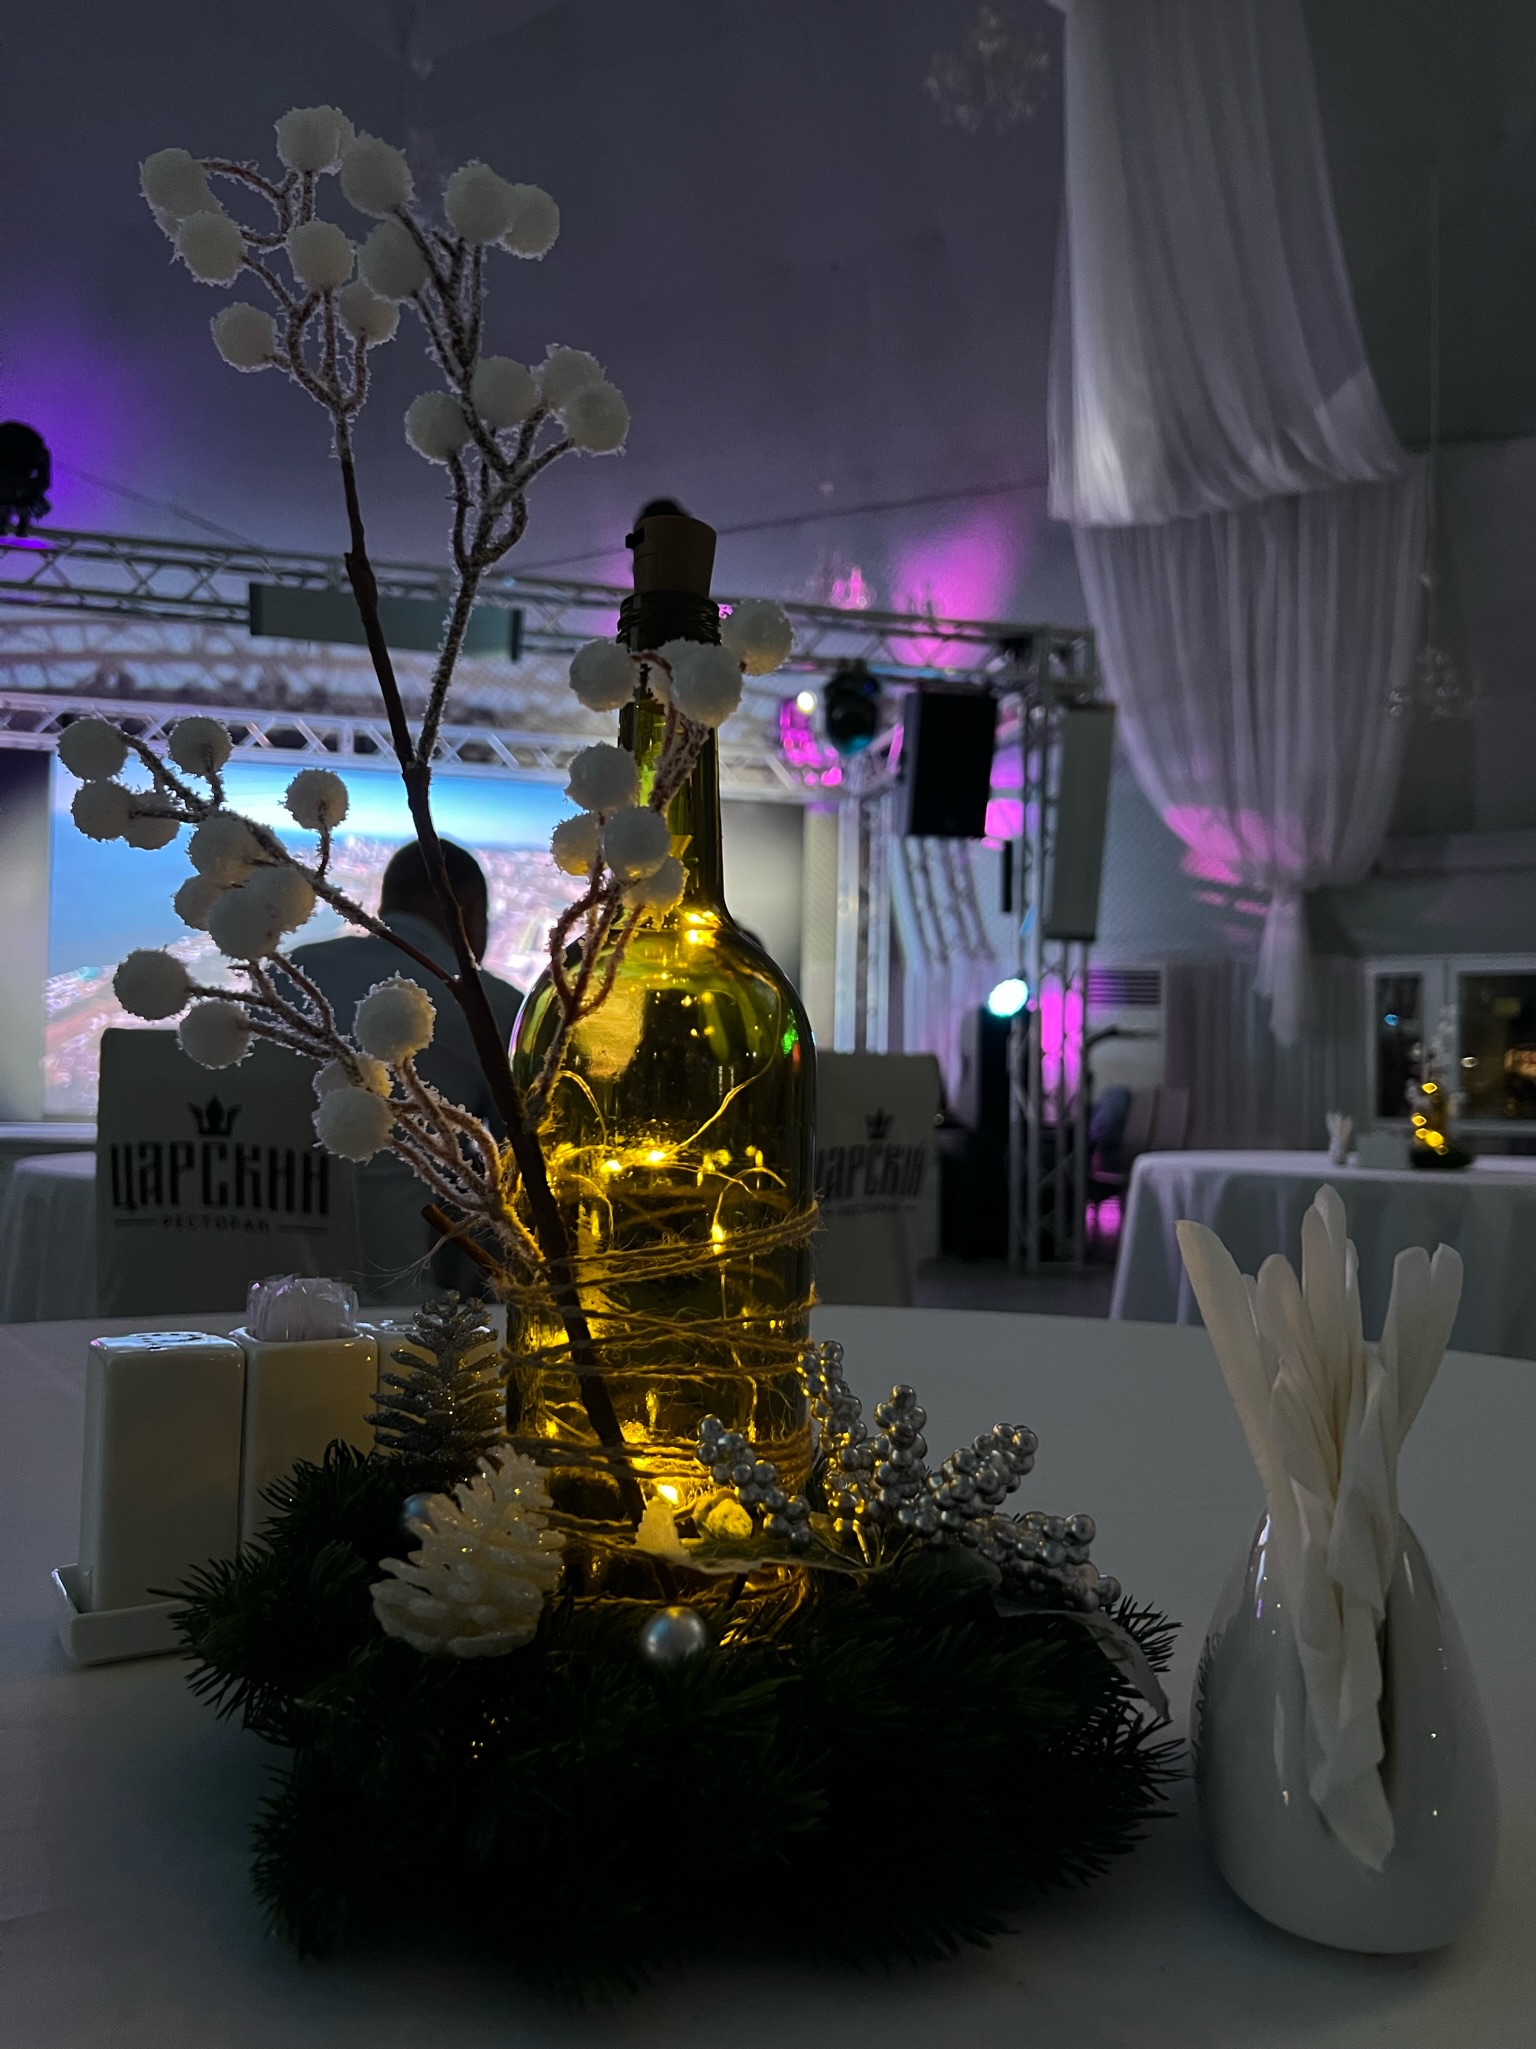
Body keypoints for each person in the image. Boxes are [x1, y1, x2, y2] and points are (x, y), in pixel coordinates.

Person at [289, 839, 522, 1303]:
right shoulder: (488, 1005)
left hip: (266, 1293)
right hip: (399, 1305)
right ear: (469, 911)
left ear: (386, 906)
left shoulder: (295, 972)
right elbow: (524, 1171)